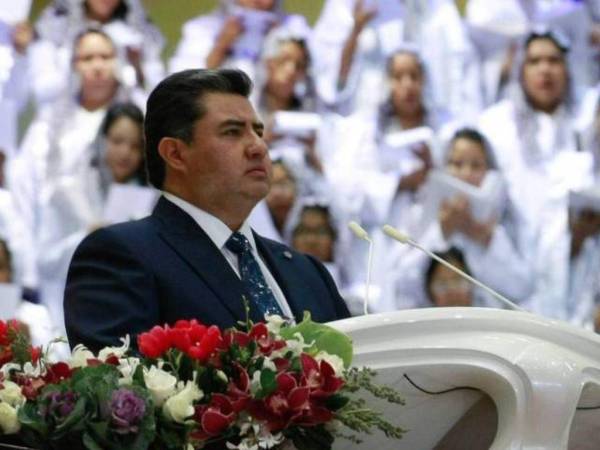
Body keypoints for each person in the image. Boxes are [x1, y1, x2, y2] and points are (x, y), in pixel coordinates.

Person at [64, 68, 350, 352]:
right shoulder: (121, 257)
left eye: (258, 131)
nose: (259, 147)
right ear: (175, 154)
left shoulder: (308, 272)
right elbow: (121, 392)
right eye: (233, 132)